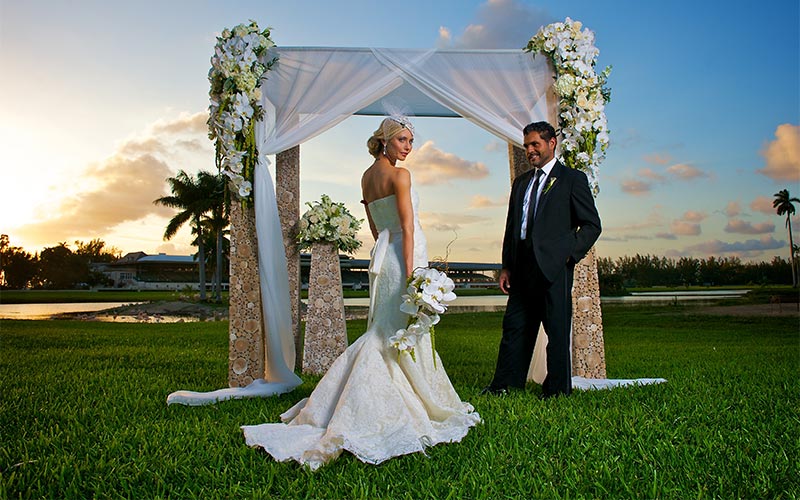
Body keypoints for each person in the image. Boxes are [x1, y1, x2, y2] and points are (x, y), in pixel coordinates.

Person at [242, 116, 480, 470]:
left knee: (386, 327)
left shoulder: (367, 177)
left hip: (382, 258)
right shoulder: (401, 176)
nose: (408, 147)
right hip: (402, 256)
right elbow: (407, 226)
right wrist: (415, 272)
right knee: (395, 329)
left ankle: (365, 393)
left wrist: (391, 251)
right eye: (402, 139)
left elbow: (375, 225)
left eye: (411, 141)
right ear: (385, 140)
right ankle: (388, 401)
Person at [483, 121, 601, 399]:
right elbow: (512, 228)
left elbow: (592, 225)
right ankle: (505, 385)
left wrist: (568, 256)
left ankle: (557, 391)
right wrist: (506, 266)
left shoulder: (572, 179)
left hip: (554, 267)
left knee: (556, 331)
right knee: (514, 327)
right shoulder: (521, 182)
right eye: (526, 146)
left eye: (535, 144)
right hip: (521, 267)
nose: (530, 150)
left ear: (551, 143)